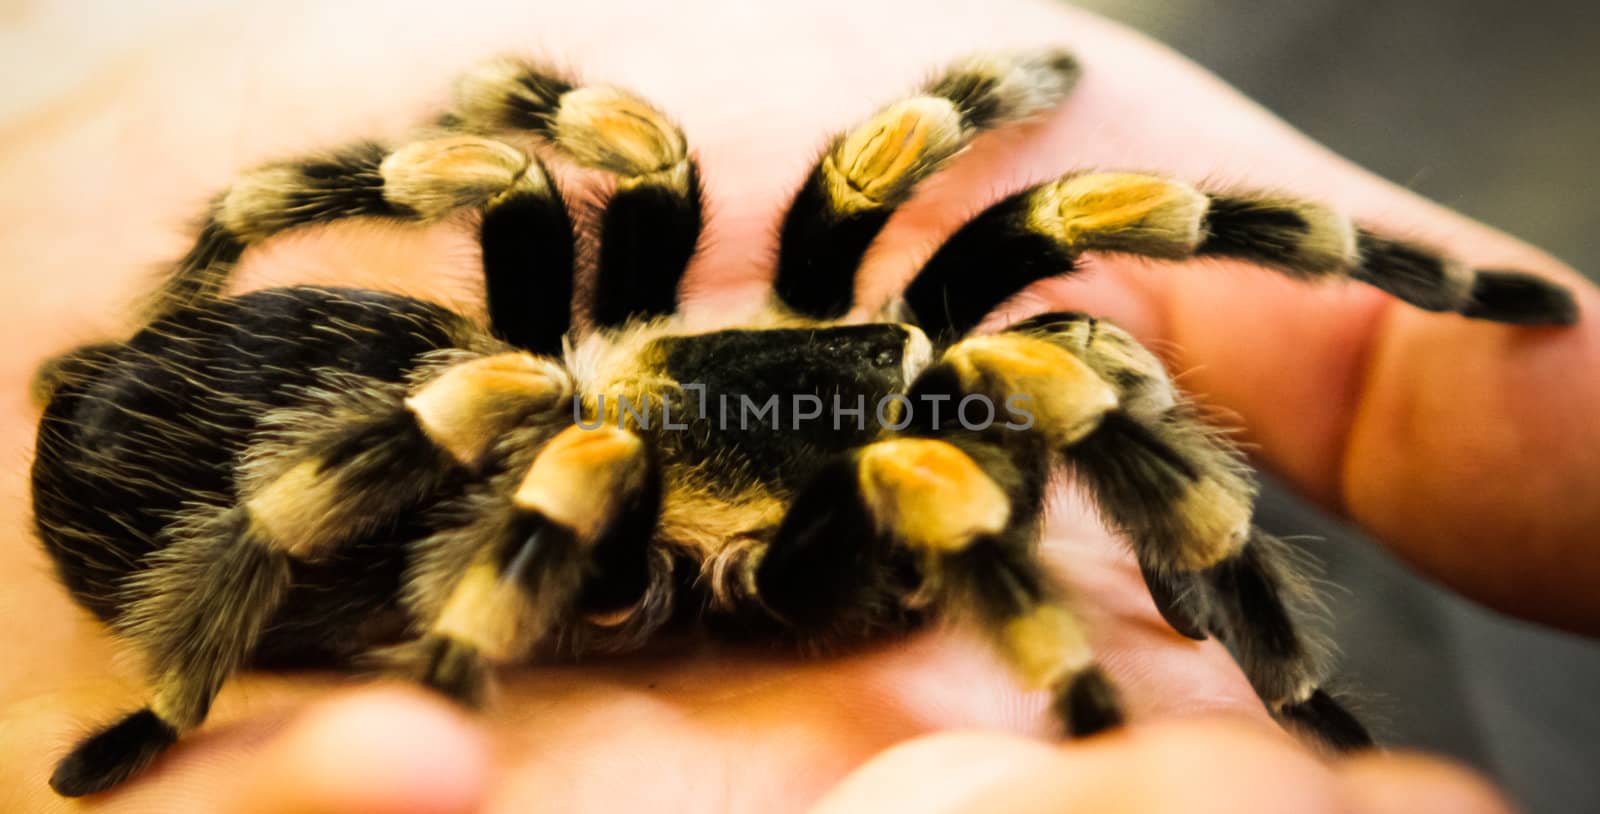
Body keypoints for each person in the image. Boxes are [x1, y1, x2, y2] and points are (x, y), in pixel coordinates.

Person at [1, 1, 1593, 811]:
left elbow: (514, 133)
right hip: (221, 501)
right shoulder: (631, 425)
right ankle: (183, 669)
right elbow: (508, 146)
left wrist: (996, 104)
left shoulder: (802, 339)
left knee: (1046, 276)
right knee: (529, 294)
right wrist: (1086, 713)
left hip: (501, 408)